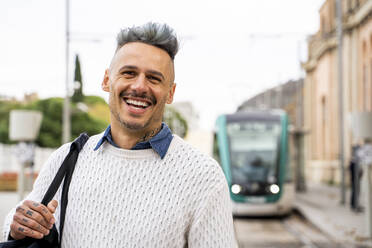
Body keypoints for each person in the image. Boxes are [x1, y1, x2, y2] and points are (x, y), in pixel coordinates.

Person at [2, 22, 236, 247]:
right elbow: (18, 226)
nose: (140, 87)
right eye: (129, 73)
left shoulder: (203, 176)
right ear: (107, 81)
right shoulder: (66, 159)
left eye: (154, 78)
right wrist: (17, 226)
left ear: (170, 92)